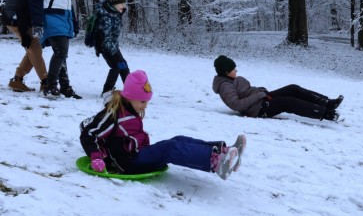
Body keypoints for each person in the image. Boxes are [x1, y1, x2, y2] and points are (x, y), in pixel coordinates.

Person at [79, 70, 246, 180]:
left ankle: (223, 152)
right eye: (142, 101)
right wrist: (96, 156)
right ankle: (216, 163)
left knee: (178, 139)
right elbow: (88, 133)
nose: (145, 106)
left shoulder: (129, 109)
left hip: (138, 154)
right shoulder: (114, 113)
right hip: (127, 163)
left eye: (147, 102)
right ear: (129, 96)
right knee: (170, 148)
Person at [212, 55, 344, 121]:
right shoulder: (225, 87)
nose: (236, 70)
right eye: (233, 69)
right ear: (225, 72)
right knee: (288, 102)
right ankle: (326, 114)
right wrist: (258, 95)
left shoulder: (234, 79)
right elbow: (236, 105)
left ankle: (328, 103)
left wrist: (260, 90)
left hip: (261, 99)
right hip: (258, 110)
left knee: (293, 88)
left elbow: (246, 91)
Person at [29, 0, 81, 99]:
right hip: (50, 18)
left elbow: (68, 4)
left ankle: (65, 86)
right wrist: (37, 23)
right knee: (61, 52)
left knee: (62, 54)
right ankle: (51, 86)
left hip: (64, 20)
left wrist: (74, 22)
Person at [5, 0, 48, 92]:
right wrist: (24, 34)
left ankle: (17, 80)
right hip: (17, 21)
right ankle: (46, 82)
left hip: (17, 21)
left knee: (32, 50)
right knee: (35, 49)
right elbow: (22, 12)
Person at [93, 0, 130, 96]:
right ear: (113, 3)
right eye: (121, 3)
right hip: (106, 47)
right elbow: (105, 37)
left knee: (123, 66)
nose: (123, 6)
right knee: (116, 67)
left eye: (124, 3)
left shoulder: (114, 13)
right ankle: (107, 91)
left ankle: (130, 89)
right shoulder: (106, 17)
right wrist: (114, 51)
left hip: (113, 46)